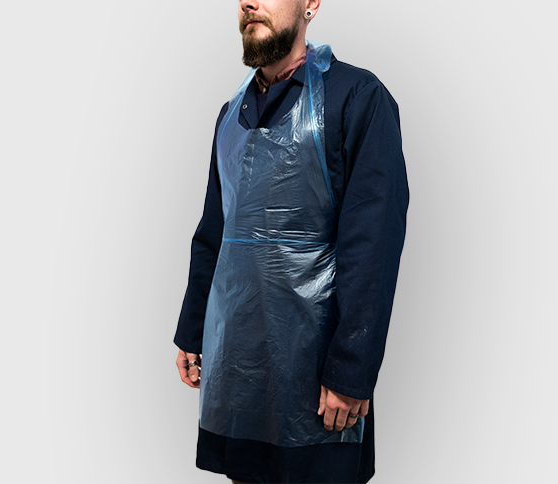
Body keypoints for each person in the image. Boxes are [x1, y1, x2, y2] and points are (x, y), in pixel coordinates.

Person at [174, 0, 409, 482]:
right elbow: (215, 231)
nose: (249, 2)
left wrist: (351, 371)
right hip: (237, 367)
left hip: (318, 378)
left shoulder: (356, 98)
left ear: (311, 4)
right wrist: (193, 331)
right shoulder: (231, 115)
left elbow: (373, 245)